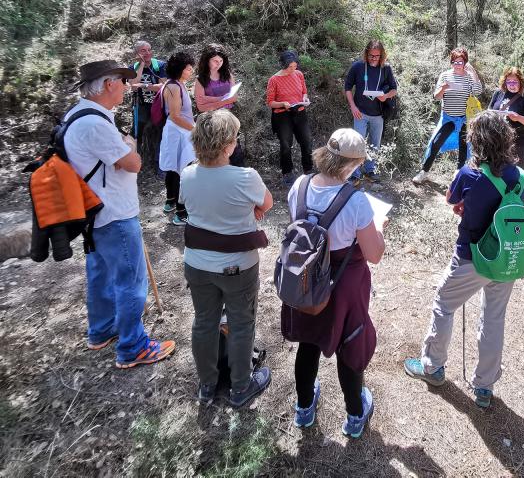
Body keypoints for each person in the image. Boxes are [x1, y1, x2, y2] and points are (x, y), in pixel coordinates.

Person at [404, 111, 524, 409]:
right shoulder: (519, 175)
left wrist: (465, 206)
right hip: (506, 257)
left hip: (472, 256)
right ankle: (484, 387)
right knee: (494, 318)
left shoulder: (469, 174)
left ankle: (432, 367)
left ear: (476, 140)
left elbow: (451, 199)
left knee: (444, 305)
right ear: (506, 138)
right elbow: (510, 208)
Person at [64, 59, 175, 368]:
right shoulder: (96, 124)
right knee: (130, 280)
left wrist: (125, 150)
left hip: (93, 211)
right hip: (113, 211)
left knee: (100, 272)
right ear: (109, 84)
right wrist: (131, 145)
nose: (127, 88)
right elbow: (133, 163)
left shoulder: (77, 115)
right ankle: (133, 346)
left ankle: (102, 330)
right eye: (123, 82)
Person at [281, 129, 387, 438]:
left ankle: (303, 409)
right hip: (343, 284)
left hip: (305, 280)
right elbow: (374, 254)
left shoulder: (299, 186)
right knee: (349, 344)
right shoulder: (357, 202)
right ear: (352, 165)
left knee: (308, 341)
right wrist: (378, 227)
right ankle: (355, 414)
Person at [180, 110, 273, 407]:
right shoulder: (245, 177)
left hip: (197, 263)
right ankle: (240, 386)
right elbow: (266, 204)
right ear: (227, 145)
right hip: (237, 266)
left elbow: (195, 206)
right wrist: (251, 210)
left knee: (204, 322)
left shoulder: (187, 173)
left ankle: (207, 386)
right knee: (241, 322)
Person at [412, 47, 483, 185]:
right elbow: (436, 97)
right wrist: (443, 88)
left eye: (461, 62)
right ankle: (424, 172)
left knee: (463, 148)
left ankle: (458, 175)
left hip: (463, 118)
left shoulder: (468, 78)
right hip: (448, 118)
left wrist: (473, 73)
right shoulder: (445, 75)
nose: (457, 65)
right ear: (451, 62)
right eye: (455, 62)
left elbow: (478, 91)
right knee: (435, 143)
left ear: (465, 63)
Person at [344, 40, 398, 182]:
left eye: (377, 56)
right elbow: (348, 88)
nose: (374, 59)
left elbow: (394, 89)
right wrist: (353, 107)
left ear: (382, 55)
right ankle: (354, 174)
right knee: (357, 143)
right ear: (366, 53)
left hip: (378, 114)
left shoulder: (386, 68)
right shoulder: (358, 67)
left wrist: (385, 96)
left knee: (375, 144)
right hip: (360, 112)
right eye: (371, 56)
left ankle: (370, 170)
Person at [159, 51, 196, 225]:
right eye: (189, 69)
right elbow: (175, 115)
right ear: (180, 69)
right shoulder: (173, 87)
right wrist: (195, 128)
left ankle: (171, 201)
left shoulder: (179, 84)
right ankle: (181, 213)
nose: (191, 72)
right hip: (178, 132)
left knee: (175, 168)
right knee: (180, 169)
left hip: (181, 131)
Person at [266, 50, 313, 187]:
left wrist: (304, 98)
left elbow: (304, 92)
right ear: (283, 65)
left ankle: (308, 170)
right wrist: (282, 104)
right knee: (286, 145)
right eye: (290, 67)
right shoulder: (273, 80)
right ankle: (287, 173)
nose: (293, 69)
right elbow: (270, 102)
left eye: (295, 66)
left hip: (299, 111)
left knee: (307, 141)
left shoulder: (299, 74)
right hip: (282, 115)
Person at [194, 44, 244, 166]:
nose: (218, 63)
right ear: (207, 60)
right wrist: (224, 99)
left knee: (235, 151)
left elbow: (234, 98)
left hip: (228, 118)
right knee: (214, 152)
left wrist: (209, 100)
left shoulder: (227, 75)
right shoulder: (200, 79)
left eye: (221, 60)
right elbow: (201, 107)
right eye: (215, 60)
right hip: (210, 121)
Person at [488, 67, 524, 167]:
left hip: (518, 140)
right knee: (496, 168)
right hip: (497, 138)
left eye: (515, 81)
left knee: (516, 170)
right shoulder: (498, 93)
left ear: (521, 82)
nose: (511, 85)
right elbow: (489, 111)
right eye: (508, 81)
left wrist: (519, 118)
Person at [129, 40, 166, 165]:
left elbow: (163, 86)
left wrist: (143, 85)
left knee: (161, 131)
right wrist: (141, 65)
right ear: (136, 54)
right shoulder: (132, 68)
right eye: (143, 51)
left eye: (149, 50)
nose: (147, 53)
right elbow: (134, 86)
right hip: (141, 105)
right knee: (137, 132)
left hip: (159, 105)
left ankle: (159, 162)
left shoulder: (160, 66)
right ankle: (134, 161)